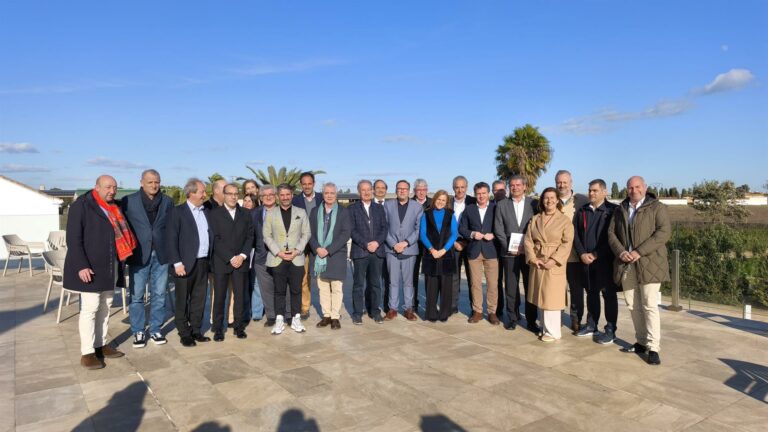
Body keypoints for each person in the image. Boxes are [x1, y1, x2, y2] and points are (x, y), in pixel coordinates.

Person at [64, 175, 132, 369]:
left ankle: (100, 345)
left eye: (115, 187)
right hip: (90, 268)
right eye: (108, 187)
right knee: (90, 308)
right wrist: (81, 265)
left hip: (110, 266)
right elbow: (73, 239)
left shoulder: (114, 207)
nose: (112, 191)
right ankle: (87, 353)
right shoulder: (81, 206)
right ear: (97, 187)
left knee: (106, 305)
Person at [608, 176, 671, 365]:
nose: (634, 190)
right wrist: (621, 252)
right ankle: (641, 342)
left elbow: (663, 232)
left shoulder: (657, 207)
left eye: (637, 187)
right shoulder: (620, 209)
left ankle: (654, 347)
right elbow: (611, 233)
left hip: (649, 263)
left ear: (645, 187)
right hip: (626, 264)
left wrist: (638, 252)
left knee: (649, 305)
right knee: (633, 305)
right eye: (630, 187)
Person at [121, 169, 173, 348]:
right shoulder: (129, 201)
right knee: (136, 295)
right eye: (150, 182)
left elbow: (171, 227)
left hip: (161, 254)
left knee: (159, 294)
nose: (154, 185)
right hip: (138, 254)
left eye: (157, 182)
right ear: (141, 182)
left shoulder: (167, 201)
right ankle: (138, 330)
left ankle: (156, 329)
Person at [166, 178, 213, 347]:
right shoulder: (177, 212)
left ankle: (196, 330)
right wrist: (177, 263)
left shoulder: (206, 211)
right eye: (202, 192)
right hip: (184, 265)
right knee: (182, 300)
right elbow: (171, 239)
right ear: (191, 193)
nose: (204, 195)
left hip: (203, 262)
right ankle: (184, 333)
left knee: (199, 299)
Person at [572, 179, 620, 344]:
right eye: (590, 190)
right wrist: (581, 253)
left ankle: (610, 329)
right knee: (591, 293)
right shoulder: (583, 210)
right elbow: (575, 234)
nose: (591, 193)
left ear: (604, 192)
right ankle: (591, 325)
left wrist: (596, 254)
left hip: (605, 262)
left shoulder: (613, 211)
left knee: (608, 295)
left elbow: (614, 237)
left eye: (595, 190)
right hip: (586, 261)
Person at [524, 187, 574, 342]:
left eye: (552, 197)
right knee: (541, 296)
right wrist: (533, 258)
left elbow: (567, 243)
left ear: (557, 200)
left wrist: (554, 260)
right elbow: (528, 240)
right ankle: (544, 328)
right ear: (542, 200)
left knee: (552, 297)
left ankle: (553, 332)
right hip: (538, 261)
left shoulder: (564, 220)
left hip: (554, 263)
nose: (549, 200)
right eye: (546, 198)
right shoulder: (536, 219)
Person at [208, 183, 254, 341]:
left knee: (240, 296)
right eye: (230, 194)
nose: (233, 197)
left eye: (236, 194)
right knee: (220, 297)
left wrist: (242, 255)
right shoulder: (214, 214)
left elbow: (250, 236)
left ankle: (239, 327)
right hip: (222, 262)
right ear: (224, 194)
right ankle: (218, 329)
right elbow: (215, 239)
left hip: (241, 262)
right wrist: (231, 257)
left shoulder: (246, 214)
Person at [265, 183, 311, 335]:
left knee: (297, 290)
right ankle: (279, 320)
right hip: (277, 258)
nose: (285, 197)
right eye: (282, 195)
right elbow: (267, 236)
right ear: (278, 196)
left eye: (287, 194)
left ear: (292, 195)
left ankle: (296, 318)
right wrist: (278, 252)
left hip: (296, 258)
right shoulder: (270, 214)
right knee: (279, 291)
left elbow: (306, 234)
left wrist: (297, 251)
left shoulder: (301, 212)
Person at [493, 175, 538, 331]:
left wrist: (529, 247)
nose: (515, 187)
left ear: (525, 187)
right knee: (511, 287)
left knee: (530, 286)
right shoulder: (501, 205)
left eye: (518, 185)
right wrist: (509, 247)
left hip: (528, 253)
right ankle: (512, 317)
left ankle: (531, 320)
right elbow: (498, 228)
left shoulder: (534, 203)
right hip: (509, 253)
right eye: (512, 185)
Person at [309, 183, 352, 329]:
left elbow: (345, 233)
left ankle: (335, 317)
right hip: (319, 255)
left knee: (336, 288)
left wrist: (328, 250)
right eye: (326, 193)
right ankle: (326, 315)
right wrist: (317, 248)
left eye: (332, 193)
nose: (329, 195)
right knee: (323, 288)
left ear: (336, 194)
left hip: (336, 255)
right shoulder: (315, 211)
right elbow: (310, 233)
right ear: (322, 194)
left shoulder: (343, 212)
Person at [459, 182, 499, 324]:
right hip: (474, 250)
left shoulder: (495, 208)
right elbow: (462, 229)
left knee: (492, 284)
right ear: (475, 194)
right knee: (475, 283)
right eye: (478, 193)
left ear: (488, 194)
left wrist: (494, 235)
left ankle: (492, 312)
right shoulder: (469, 209)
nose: (481, 196)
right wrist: (472, 234)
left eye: (483, 193)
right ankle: (478, 311)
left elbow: (502, 226)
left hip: (491, 251)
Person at [555, 170, 590, 333]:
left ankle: (576, 319)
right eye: (559, 182)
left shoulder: (582, 201)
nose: (561, 185)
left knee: (576, 290)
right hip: (556, 256)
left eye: (564, 182)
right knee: (557, 289)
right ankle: (557, 318)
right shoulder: (551, 199)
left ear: (571, 183)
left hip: (575, 255)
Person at [383, 180, 424, 321]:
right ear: (396, 190)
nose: (402, 191)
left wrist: (406, 243)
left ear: (409, 191)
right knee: (392, 281)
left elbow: (418, 229)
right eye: (399, 188)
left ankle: (408, 309)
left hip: (410, 249)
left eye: (405, 189)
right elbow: (384, 227)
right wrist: (394, 244)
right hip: (391, 249)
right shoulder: (387, 205)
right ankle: (392, 309)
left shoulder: (417, 207)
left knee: (408, 282)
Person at [349, 180, 388, 324]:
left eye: (368, 189)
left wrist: (377, 242)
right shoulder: (352, 209)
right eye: (363, 190)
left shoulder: (379, 208)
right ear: (359, 192)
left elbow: (384, 228)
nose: (366, 192)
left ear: (372, 191)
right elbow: (352, 230)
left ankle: (375, 311)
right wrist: (366, 244)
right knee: (358, 284)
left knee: (376, 284)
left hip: (377, 251)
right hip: (360, 251)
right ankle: (357, 313)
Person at [420, 190, 458, 322]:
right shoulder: (426, 214)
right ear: (434, 199)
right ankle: (431, 313)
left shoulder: (450, 215)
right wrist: (432, 249)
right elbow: (422, 234)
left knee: (446, 287)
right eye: (439, 199)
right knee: (431, 286)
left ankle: (444, 313)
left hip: (446, 255)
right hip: (430, 254)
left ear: (446, 202)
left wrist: (444, 250)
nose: (440, 202)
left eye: (443, 200)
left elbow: (454, 234)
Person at [251, 185, 284, 327]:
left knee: (282, 288)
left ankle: (284, 314)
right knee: (265, 289)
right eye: (265, 195)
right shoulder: (254, 214)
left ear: (276, 196)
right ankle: (271, 316)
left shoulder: (284, 212)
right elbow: (250, 235)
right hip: (261, 257)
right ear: (260, 198)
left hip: (281, 257)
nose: (268, 197)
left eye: (271, 194)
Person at [292, 172, 319, 320]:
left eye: (309, 183)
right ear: (301, 185)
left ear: (314, 183)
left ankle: (329, 309)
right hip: (302, 244)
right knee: (303, 277)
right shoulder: (295, 200)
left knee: (323, 277)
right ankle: (305, 307)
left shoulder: (322, 198)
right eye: (304, 184)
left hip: (319, 244)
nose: (307, 186)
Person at [450, 175, 476, 314]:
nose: (460, 190)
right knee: (453, 277)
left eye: (462, 187)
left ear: (466, 187)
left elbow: (477, 224)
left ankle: (474, 308)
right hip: (452, 244)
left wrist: (465, 241)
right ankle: (453, 306)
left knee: (472, 277)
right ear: (453, 188)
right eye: (457, 187)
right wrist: (453, 242)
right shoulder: (447, 202)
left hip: (470, 243)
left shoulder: (473, 201)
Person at [411, 178, 431, 312]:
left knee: (429, 275)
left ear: (427, 190)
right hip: (413, 244)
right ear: (414, 191)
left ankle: (430, 303)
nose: (421, 192)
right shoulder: (409, 203)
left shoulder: (433, 203)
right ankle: (413, 303)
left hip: (429, 245)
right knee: (412, 276)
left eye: (424, 190)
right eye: (419, 190)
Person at [372, 179, 390, 313]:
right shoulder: (367, 205)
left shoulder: (391, 205)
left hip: (389, 248)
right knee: (372, 280)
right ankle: (371, 306)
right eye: (377, 187)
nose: (380, 190)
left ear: (386, 190)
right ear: (373, 189)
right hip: (372, 248)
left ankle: (387, 306)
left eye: (383, 188)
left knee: (388, 280)